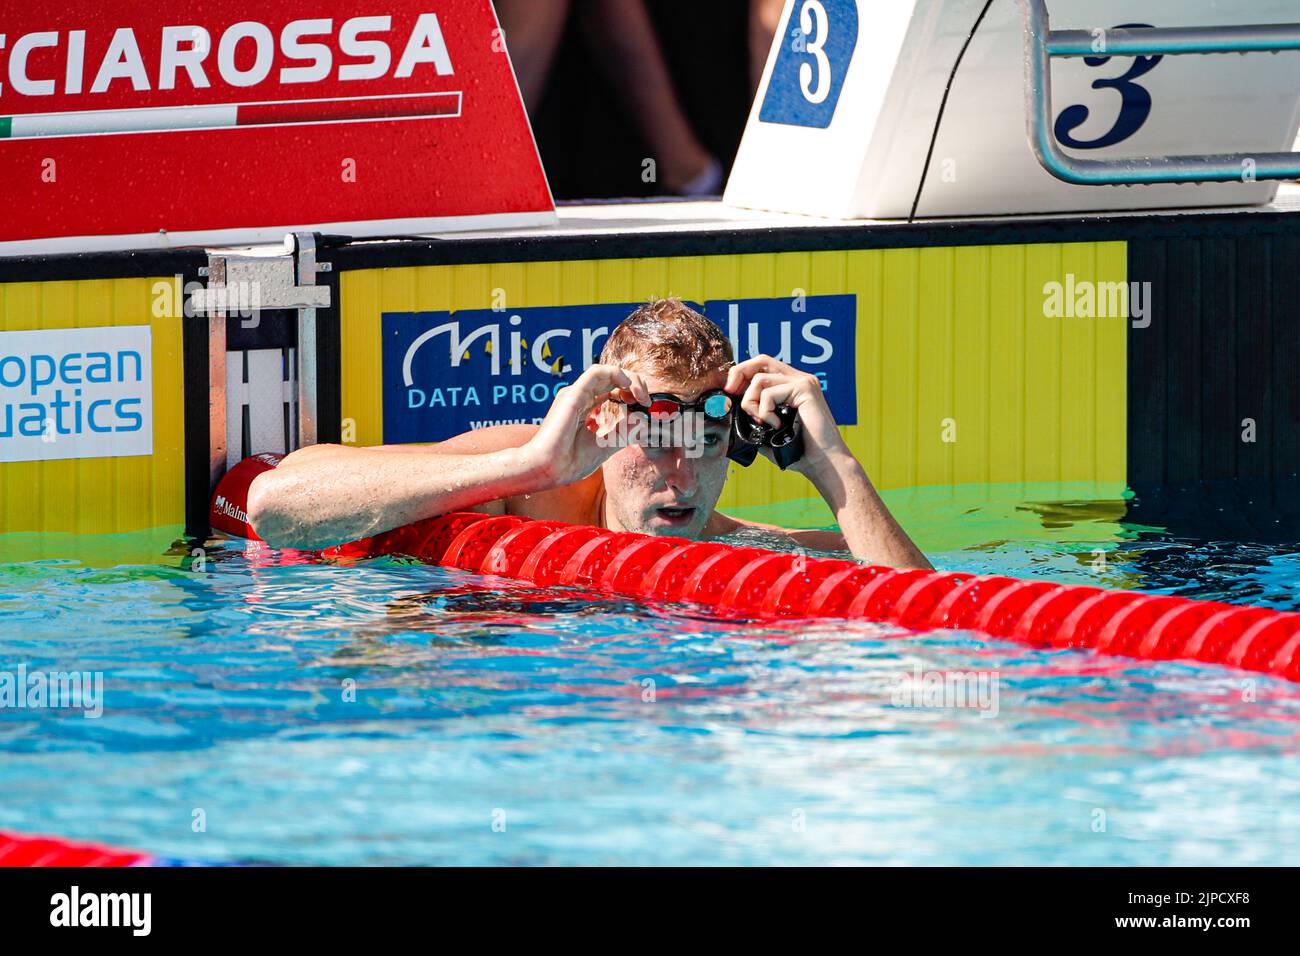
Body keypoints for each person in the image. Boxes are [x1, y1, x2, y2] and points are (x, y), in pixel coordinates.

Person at [247, 299, 931, 570]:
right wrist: (534, 463)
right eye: (656, 442)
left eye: (706, 444)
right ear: (603, 423)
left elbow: (937, 635)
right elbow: (273, 506)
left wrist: (831, 464)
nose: (682, 478)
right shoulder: (521, 488)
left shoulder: (757, 553)